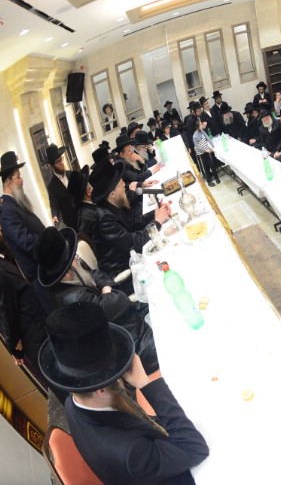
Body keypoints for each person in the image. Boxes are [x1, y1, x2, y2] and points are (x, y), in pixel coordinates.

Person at [39, 302, 209, 484]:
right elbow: (195, 448)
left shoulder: (73, 403)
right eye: (120, 371)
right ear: (101, 390)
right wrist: (145, 384)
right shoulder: (130, 453)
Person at [34, 226, 158, 373]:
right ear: (67, 271)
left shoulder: (73, 273)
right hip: (130, 338)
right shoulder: (73, 298)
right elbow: (118, 303)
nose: (77, 257)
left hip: (129, 317)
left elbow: (97, 275)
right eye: (73, 257)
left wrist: (106, 290)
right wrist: (107, 291)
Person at [88, 161, 171, 282]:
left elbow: (133, 223)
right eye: (120, 183)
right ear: (112, 194)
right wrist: (157, 222)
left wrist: (155, 213)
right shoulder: (104, 220)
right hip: (125, 271)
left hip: (133, 257)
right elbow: (132, 242)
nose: (124, 185)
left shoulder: (111, 204)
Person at [0, 151, 46, 281]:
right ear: (9, 182)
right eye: (18, 177)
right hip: (39, 274)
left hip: (44, 266)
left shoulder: (15, 203)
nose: (22, 180)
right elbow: (26, 242)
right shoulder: (6, 211)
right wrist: (49, 239)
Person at [45, 144, 75, 228]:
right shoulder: (51, 186)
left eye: (61, 159)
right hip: (71, 222)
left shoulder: (72, 174)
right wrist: (54, 215)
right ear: (52, 166)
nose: (61, 163)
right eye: (57, 162)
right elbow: (53, 204)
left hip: (83, 215)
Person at [192, 118, 220, 186]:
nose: (202, 125)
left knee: (212, 165)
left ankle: (216, 178)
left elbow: (208, 138)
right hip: (201, 153)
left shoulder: (202, 131)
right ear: (197, 126)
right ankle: (209, 181)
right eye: (200, 124)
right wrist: (205, 150)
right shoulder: (195, 136)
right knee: (205, 168)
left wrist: (213, 147)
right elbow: (197, 147)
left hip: (207, 151)